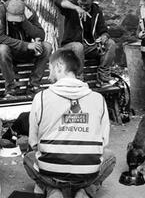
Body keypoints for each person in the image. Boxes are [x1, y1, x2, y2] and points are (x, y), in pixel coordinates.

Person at [23, 49, 115, 198]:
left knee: (28, 157)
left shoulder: (40, 97)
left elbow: (33, 142)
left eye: (50, 68)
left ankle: (52, 190)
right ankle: (85, 190)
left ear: (59, 66)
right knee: (110, 157)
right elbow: (104, 143)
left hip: (50, 173)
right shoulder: (98, 98)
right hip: (87, 174)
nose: (49, 73)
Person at [56, 0, 116, 87]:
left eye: (86, 5)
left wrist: (104, 36)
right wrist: (76, 8)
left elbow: (103, 31)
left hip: (88, 47)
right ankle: (79, 80)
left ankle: (103, 78)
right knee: (78, 46)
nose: (83, 7)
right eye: (81, 4)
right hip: (71, 47)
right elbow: (58, 1)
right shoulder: (72, 6)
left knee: (111, 44)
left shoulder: (97, 11)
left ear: (92, 1)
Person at [0, 0, 53, 97]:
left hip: (25, 51)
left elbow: (41, 35)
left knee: (47, 46)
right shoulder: (1, 11)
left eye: (16, 19)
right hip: (9, 51)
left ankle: (33, 85)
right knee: (2, 49)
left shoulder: (29, 11)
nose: (14, 22)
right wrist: (27, 45)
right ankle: (11, 87)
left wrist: (25, 22)